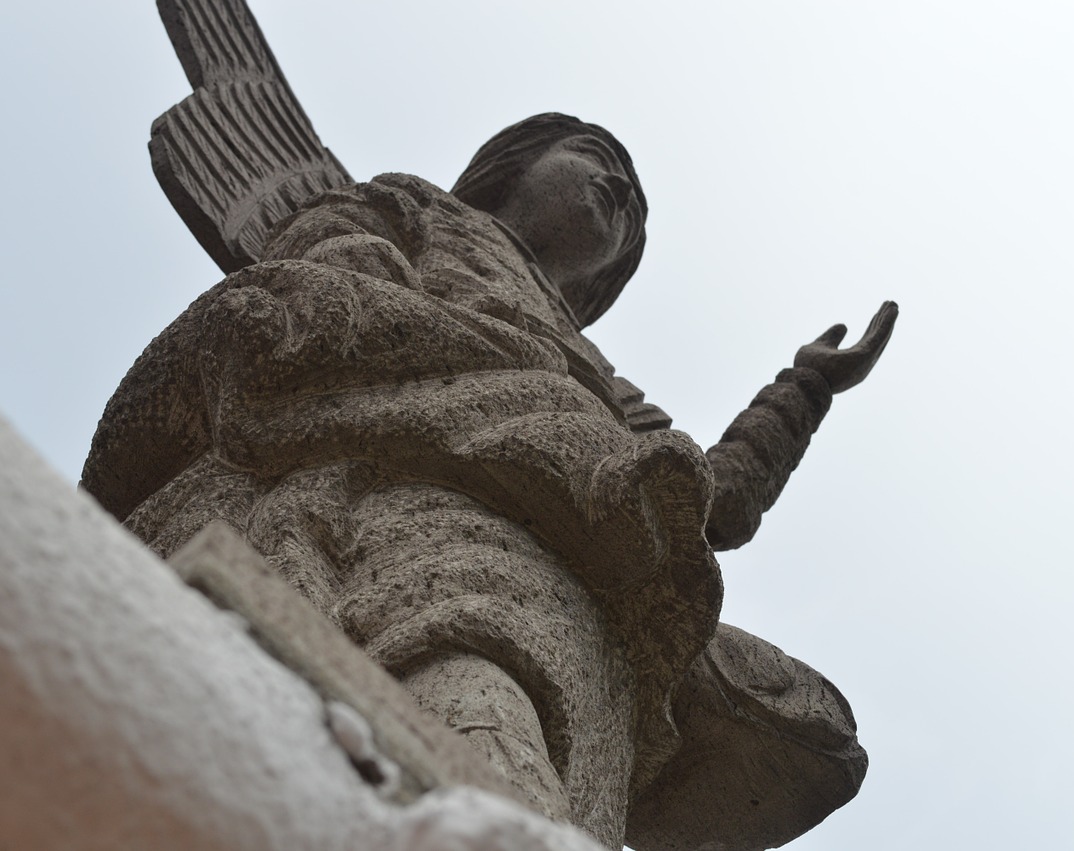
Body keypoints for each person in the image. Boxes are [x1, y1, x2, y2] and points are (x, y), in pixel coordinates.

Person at [82, 113, 895, 850]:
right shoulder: (412, 211)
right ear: (515, 161)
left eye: (636, 213)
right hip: (405, 505)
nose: (619, 194)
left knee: (810, 716)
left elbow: (705, 506)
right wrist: (513, 394)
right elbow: (310, 308)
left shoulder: (597, 385)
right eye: (594, 157)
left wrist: (802, 392)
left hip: (566, 577)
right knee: (475, 722)